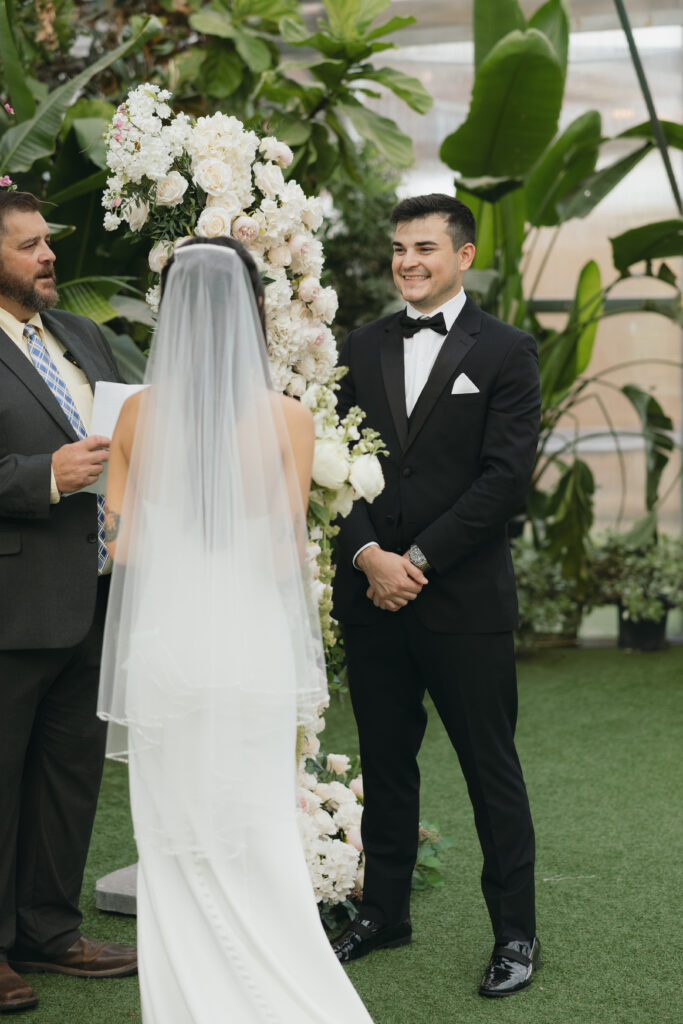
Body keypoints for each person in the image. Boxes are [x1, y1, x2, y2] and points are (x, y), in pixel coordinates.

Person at [97, 237, 374, 1024]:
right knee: (251, 828)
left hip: (166, 650)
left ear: (170, 315)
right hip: (249, 647)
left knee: (174, 837)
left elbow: (125, 549)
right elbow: (286, 551)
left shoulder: (135, 414)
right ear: (253, 312)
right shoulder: (287, 420)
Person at [330, 194, 542, 997]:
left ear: (462, 254)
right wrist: (367, 556)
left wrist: (412, 559)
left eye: (423, 248)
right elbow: (332, 462)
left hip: (462, 604)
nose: (406, 262)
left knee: (491, 771)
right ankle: (382, 912)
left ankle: (515, 936)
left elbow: (502, 481)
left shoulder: (507, 350)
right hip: (371, 596)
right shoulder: (359, 344)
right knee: (385, 766)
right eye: (397, 248)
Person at [0, 190, 138, 1015]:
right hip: (11, 603)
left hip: (96, 595)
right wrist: (45, 475)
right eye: (26, 246)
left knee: (67, 773)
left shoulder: (80, 335)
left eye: (45, 242)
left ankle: (50, 930)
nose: (48, 256)